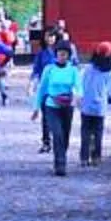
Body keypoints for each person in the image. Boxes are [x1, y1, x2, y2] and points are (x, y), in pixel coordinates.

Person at [38, 41, 82, 175]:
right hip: (51, 105)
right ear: (56, 54)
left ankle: (62, 156)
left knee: (65, 134)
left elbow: (79, 87)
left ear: (69, 55)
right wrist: (36, 107)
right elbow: (42, 89)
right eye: (60, 53)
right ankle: (60, 164)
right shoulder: (49, 69)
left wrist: (76, 97)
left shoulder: (73, 70)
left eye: (65, 54)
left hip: (67, 105)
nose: (62, 56)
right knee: (57, 134)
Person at [77, 45, 111, 163]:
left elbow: (79, 84)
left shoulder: (87, 69)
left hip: (86, 105)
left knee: (85, 131)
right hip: (100, 106)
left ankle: (84, 157)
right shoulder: (110, 72)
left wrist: (78, 98)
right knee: (98, 132)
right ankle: (96, 157)